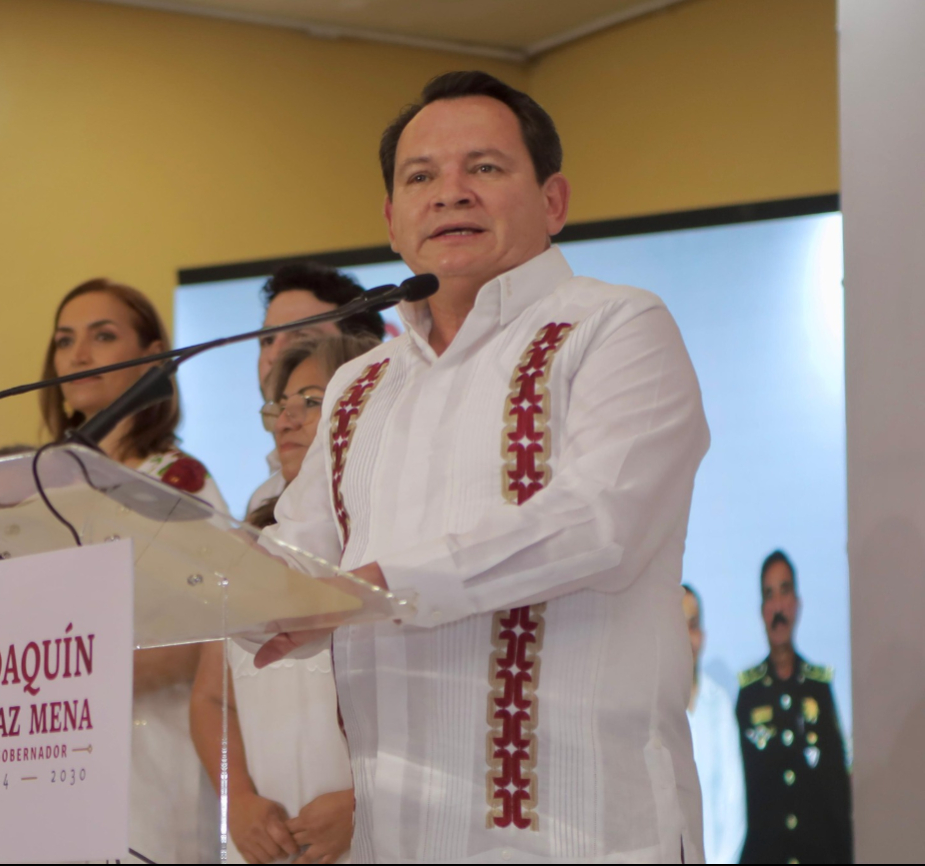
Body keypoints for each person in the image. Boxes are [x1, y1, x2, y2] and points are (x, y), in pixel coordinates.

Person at [255, 71, 711, 862]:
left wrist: (369, 590)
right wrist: (190, 576)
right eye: (420, 177)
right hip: (392, 836)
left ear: (553, 200)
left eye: (485, 168)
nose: (449, 194)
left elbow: (597, 525)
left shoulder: (614, 327)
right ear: (392, 221)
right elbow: (293, 560)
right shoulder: (361, 385)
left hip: (584, 832)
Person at [42, 277, 229, 863]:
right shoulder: (43, 489)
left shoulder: (177, 480)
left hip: (147, 754)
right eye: (65, 340)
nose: (79, 354)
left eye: (102, 336)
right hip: (49, 751)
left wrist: (76, 683)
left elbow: (212, 631)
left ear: (153, 359)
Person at [193, 332, 379, 865]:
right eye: (281, 405)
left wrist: (363, 804)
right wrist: (239, 801)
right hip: (265, 845)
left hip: (376, 837)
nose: (286, 420)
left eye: (313, 402)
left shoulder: (391, 548)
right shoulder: (252, 549)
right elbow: (213, 698)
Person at [736, 551, 852, 864]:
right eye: (769, 595)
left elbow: (837, 788)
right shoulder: (747, 696)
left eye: (785, 591)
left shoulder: (819, 688)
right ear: (762, 610)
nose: (778, 607)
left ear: (797, 604)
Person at [247, 264, 387, 520]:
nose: (274, 355)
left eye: (301, 336)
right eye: (267, 340)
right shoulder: (263, 497)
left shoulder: (385, 487)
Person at [682, 585, 745, 864]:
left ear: (702, 636)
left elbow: (734, 808)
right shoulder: (652, 708)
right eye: (677, 626)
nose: (685, 638)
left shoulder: (719, 705)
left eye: (692, 626)